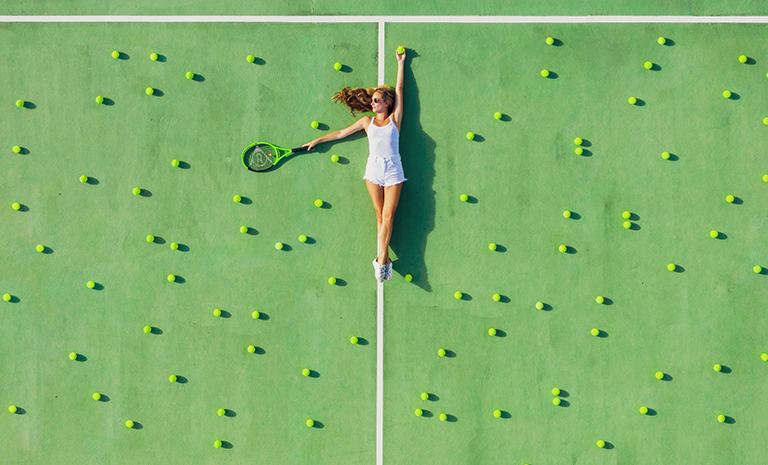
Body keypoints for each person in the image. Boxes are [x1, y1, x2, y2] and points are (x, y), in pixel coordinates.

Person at [305, 46, 406, 283]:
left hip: (393, 169)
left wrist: (400, 63)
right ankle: (383, 260)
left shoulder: (395, 119)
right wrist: (318, 140)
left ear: (388, 103)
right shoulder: (366, 122)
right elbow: (342, 133)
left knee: (389, 217)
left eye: (378, 100)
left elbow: (400, 89)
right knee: (379, 215)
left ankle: (381, 261)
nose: (373, 104)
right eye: (372, 101)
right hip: (373, 170)